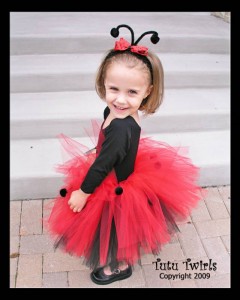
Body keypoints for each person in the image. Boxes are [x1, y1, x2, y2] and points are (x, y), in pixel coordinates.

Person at [46, 24, 203, 285]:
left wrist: (83, 193)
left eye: (132, 92)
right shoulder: (118, 113)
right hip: (118, 171)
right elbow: (109, 150)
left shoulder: (120, 126)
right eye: (114, 89)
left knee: (116, 228)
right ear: (103, 84)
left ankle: (120, 265)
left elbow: (104, 163)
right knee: (115, 226)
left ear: (148, 91)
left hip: (117, 184)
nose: (120, 100)